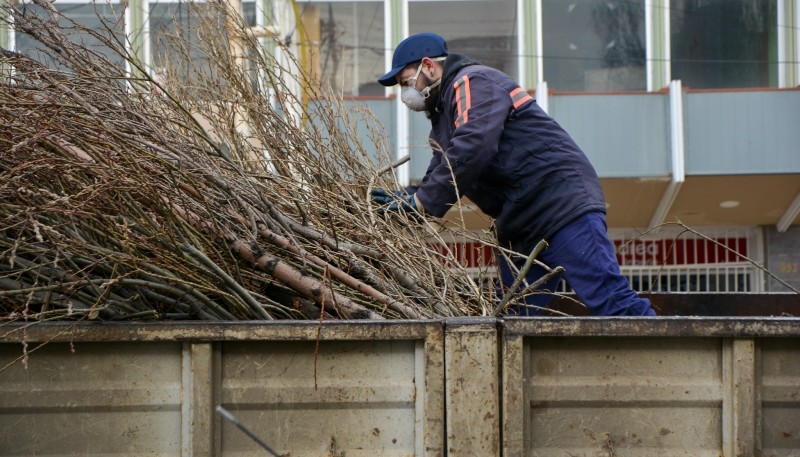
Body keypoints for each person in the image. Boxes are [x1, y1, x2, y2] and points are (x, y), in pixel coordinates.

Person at [371, 32, 656, 316]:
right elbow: (441, 172)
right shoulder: (444, 119)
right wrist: (406, 200)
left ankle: (671, 359)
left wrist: (421, 201)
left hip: (560, 207)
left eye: (406, 82)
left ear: (428, 67)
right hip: (520, 224)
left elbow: (474, 144)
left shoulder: (471, 81)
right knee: (511, 320)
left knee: (611, 301)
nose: (404, 93)